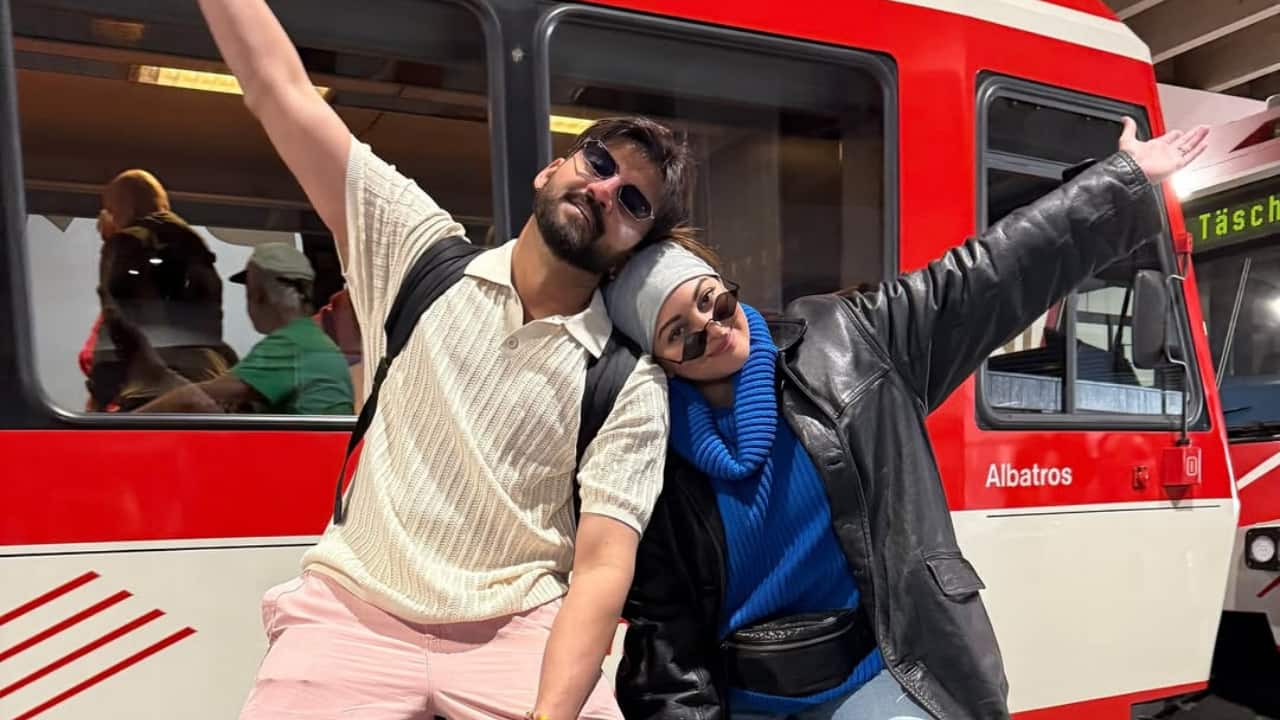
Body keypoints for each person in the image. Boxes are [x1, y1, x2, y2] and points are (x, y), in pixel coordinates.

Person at [604, 118, 1209, 720]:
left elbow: (987, 276)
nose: (709, 329)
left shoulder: (847, 339)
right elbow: (665, 636)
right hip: (744, 699)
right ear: (659, 360)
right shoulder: (652, 448)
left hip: (884, 673)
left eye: (714, 301)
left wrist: (1120, 181)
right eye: (678, 334)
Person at [195, 1, 693, 718]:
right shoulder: (415, 251)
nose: (605, 188)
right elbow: (280, 90)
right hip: (354, 612)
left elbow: (600, 569)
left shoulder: (625, 382)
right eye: (600, 162)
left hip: (518, 631)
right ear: (553, 169)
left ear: (633, 248)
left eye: (634, 200)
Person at [135, 243, 354, 415]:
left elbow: (195, 400)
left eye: (250, 291)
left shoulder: (290, 343)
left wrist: (127, 422)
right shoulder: (311, 338)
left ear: (259, 295)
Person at [86, 169, 237, 412]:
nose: (109, 216)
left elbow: (118, 322)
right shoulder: (195, 245)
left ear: (125, 207)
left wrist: (99, 396)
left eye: (111, 209)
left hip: (156, 388)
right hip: (208, 378)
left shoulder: (127, 243)